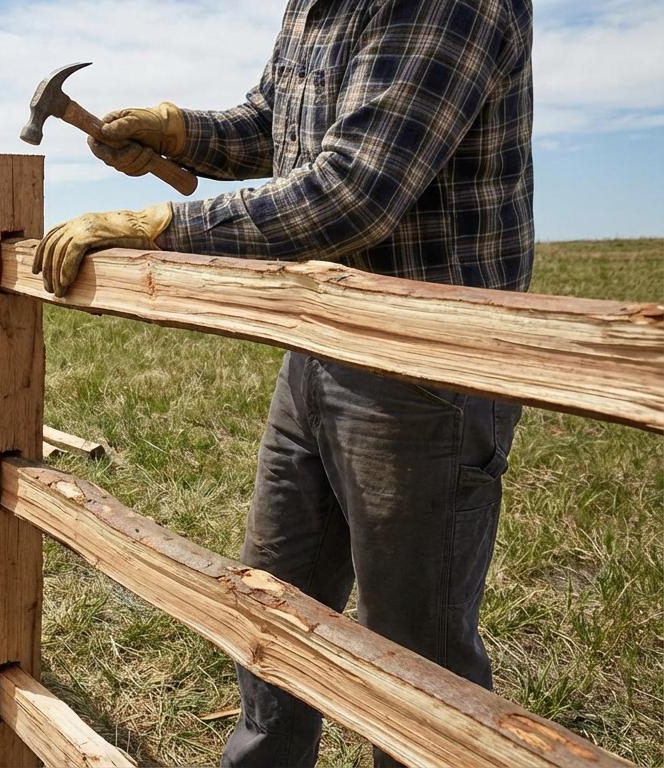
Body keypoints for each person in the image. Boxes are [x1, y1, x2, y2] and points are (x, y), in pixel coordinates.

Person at [31, 1, 534, 765]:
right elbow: (275, 124)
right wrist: (177, 131)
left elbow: (351, 192)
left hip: (425, 365)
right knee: (274, 600)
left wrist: (161, 228)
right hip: (319, 334)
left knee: (414, 653)